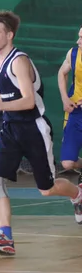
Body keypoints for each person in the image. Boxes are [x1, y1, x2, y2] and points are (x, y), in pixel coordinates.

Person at [0, 10, 82, 256]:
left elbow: (27, 101)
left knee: (46, 189)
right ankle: (5, 235)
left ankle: (78, 195)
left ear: (10, 35)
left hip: (34, 128)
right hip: (10, 129)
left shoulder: (19, 60)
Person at [57, 26, 82, 196]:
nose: (78, 41)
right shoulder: (73, 53)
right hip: (76, 112)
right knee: (67, 163)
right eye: (79, 36)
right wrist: (65, 98)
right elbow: (62, 72)